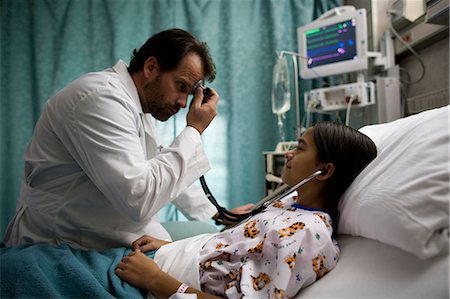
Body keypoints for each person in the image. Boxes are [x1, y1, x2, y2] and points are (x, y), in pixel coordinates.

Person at [2, 28, 253, 251]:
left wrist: (219, 214)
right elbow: (139, 197)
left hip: (100, 230)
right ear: (151, 67)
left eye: (189, 93)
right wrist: (194, 130)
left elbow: (158, 164)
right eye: (181, 86)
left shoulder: (135, 105)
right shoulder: (101, 99)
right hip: (61, 238)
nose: (182, 102)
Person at [115, 121, 378, 298]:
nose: (288, 154)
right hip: (167, 260)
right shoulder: (291, 205)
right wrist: (168, 247)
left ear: (326, 170)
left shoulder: (308, 235)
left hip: (164, 283)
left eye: (299, 147)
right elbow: (231, 251)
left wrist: (155, 281)